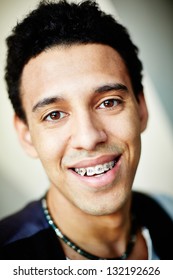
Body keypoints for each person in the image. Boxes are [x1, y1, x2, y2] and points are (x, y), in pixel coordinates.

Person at [0, 0, 172, 260]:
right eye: (54, 114)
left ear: (141, 109)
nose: (89, 137)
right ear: (26, 135)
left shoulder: (168, 211)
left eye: (109, 102)